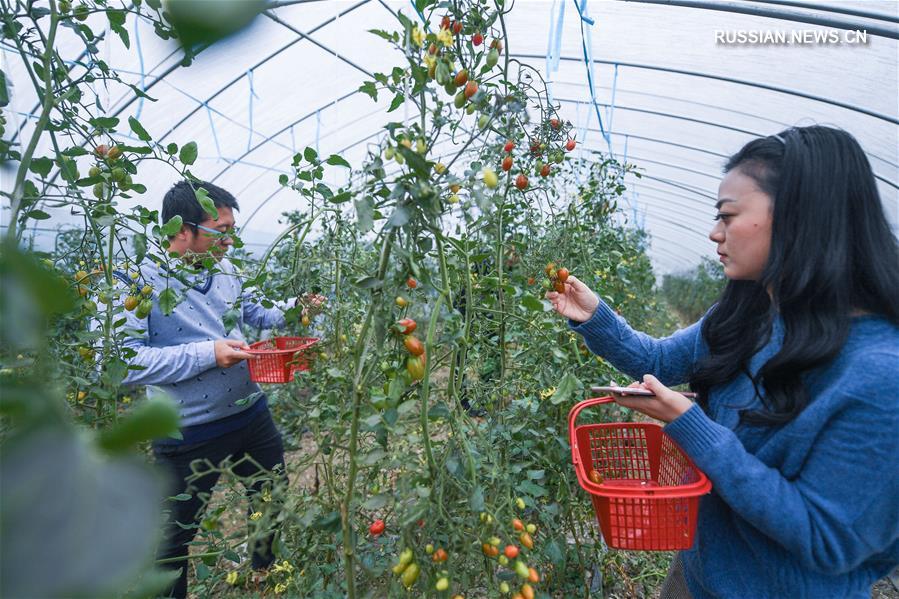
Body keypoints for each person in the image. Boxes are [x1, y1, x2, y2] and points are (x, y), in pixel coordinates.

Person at [548, 126, 899, 598]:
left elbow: (827, 539)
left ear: (800, 217)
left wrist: (694, 427)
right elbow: (658, 360)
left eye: (728, 216)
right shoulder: (748, 314)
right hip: (698, 574)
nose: (715, 233)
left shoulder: (880, 377)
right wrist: (595, 318)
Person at [116, 180, 322, 599]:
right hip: (187, 430)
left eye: (232, 230)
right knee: (175, 538)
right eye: (220, 230)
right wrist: (208, 353)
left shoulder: (225, 268)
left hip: (249, 412)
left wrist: (297, 309)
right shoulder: (138, 279)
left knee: (269, 496)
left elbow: (256, 312)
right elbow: (121, 363)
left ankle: (265, 573)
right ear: (181, 229)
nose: (229, 240)